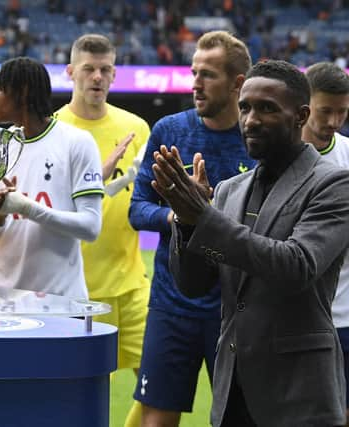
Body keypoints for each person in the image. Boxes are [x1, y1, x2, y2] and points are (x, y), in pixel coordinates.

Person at [156, 59, 349, 427]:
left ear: (301, 115)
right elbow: (193, 285)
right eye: (245, 107)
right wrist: (185, 219)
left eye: (267, 108)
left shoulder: (334, 184)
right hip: (234, 392)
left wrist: (205, 218)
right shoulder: (230, 190)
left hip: (299, 394)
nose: (251, 120)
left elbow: (297, 266)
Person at [129, 30, 255, 427]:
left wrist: (210, 215)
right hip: (172, 305)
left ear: (238, 84)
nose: (195, 84)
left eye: (208, 75)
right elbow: (137, 210)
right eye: (194, 72)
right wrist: (179, 216)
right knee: (157, 419)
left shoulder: (256, 139)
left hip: (236, 310)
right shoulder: (169, 130)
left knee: (240, 417)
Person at [55, 33, 150, 426]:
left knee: (162, 378)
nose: (97, 77)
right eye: (89, 69)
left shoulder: (137, 127)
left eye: (105, 69)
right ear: (70, 72)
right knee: (74, 394)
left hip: (131, 284)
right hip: (71, 292)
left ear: (114, 74)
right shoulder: (53, 128)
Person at [0, 56, 104, 298]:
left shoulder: (77, 142)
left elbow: (91, 227)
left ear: (22, 92)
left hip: (61, 306)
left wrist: (27, 208)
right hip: (3, 306)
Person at [302, 61, 349, 426]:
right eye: (325, 111)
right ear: (304, 104)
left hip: (346, 318)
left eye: (342, 111)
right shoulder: (278, 155)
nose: (334, 121)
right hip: (295, 319)